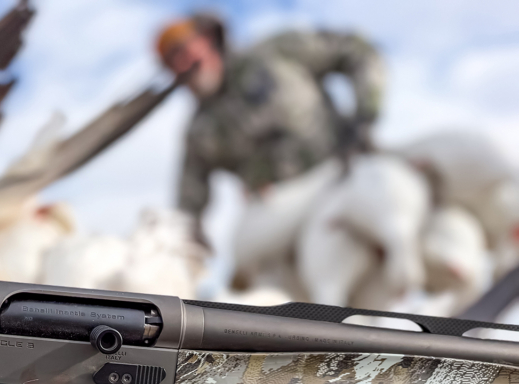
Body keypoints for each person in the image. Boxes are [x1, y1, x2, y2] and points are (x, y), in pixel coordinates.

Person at [157, 14, 385, 291]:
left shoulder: (276, 53)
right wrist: (182, 249)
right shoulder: (200, 132)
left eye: (182, 50)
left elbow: (356, 50)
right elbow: (187, 207)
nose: (181, 65)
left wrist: (365, 114)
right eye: (170, 63)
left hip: (344, 174)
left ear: (207, 40)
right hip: (279, 216)